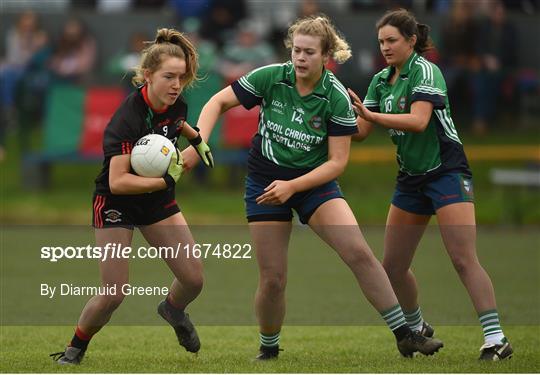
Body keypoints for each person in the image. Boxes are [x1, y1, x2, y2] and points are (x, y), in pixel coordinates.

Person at [183, 14, 443, 360]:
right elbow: (217, 102)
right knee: (273, 278)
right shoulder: (273, 76)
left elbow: (337, 163)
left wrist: (292, 187)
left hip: (313, 183)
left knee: (359, 253)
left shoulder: (334, 95)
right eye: (297, 51)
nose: (301, 58)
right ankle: (269, 348)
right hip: (264, 181)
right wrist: (199, 142)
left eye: (309, 52)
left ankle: (404, 334)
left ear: (326, 56)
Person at [347, 9, 512, 361]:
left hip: (446, 171)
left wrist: (372, 116)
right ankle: (418, 327)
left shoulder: (426, 70)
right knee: (392, 267)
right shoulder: (380, 79)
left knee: (463, 258)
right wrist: (338, 111)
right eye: (381, 42)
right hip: (411, 177)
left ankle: (495, 338)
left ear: (411, 40)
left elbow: (419, 121)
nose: (386, 47)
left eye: (392, 41)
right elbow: (361, 131)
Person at [50, 28, 214, 365]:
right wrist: (167, 179)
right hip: (116, 202)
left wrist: (195, 137)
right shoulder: (127, 118)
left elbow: (176, 122)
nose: (176, 84)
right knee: (114, 292)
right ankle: (74, 349)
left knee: (194, 279)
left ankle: (172, 308)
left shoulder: (175, 102)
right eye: (168, 76)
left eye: (181, 77)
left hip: (155, 197)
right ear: (148, 76)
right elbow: (118, 182)